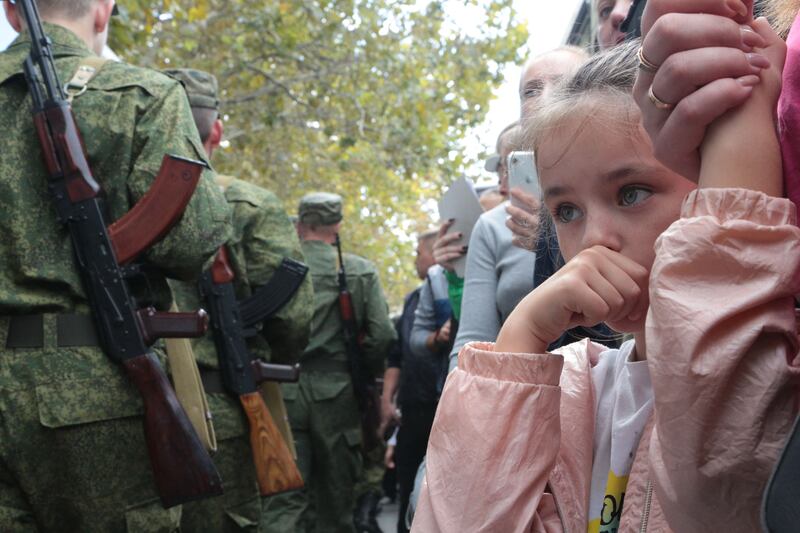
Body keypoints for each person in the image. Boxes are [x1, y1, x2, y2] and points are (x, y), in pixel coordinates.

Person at [412, 32, 795, 532]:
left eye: (632, 192)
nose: (594, 239)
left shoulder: (784, 369)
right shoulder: (571, 386)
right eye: (566, 210)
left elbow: (728, 481)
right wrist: (520, 339)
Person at [0, 0, 233, 530]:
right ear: (104, 9)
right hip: (90, 389)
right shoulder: (142, 94)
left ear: (13, 12)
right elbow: (191, 243)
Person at [164, 68, 314, 531]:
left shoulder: (109, 201)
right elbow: (292, 317)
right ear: (217, 131)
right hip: (219, 411)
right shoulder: (248, 204)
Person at [263, 192, 396, 533]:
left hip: (282, 391)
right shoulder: (359, 271)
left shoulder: (275, 266)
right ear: (337, 225)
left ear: (300, 224)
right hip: (338, 395)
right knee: (337, 499)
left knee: (285, 494)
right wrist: (362, 369)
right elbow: (381, 335)